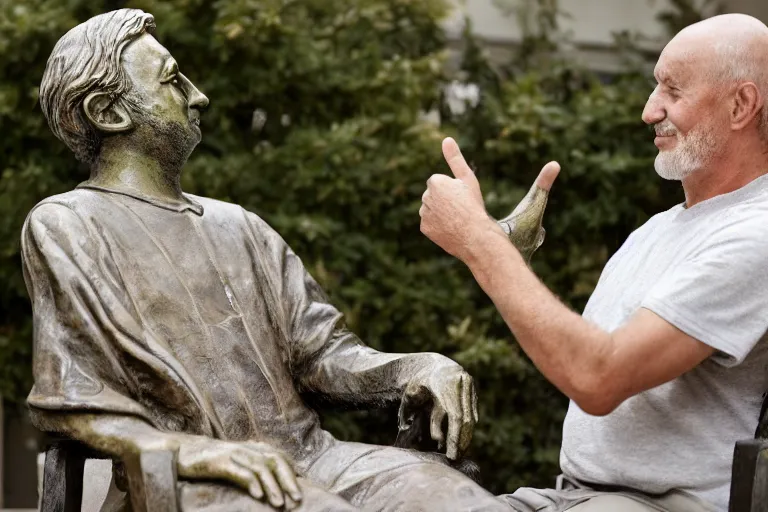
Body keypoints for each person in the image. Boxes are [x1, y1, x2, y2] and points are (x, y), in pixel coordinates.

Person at [24, 9, 514, 512]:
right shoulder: (69, 224)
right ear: (108, 112)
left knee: (457, 499)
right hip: (190, 480)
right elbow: (75, 398)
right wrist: (194, 452)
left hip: (314, 459)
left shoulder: (240, 226)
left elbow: (324, 355)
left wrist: (415, 366)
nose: (198, 95)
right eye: (172, 80)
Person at [419, 13, 768, 512]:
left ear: (741, 105)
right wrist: (502, 253)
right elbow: (575, 358)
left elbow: (597, 378)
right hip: (571, 495)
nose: (650, 111)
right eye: (655, 88)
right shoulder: (656, 231)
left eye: (672, 90)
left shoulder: (757, 232)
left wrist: (481, 246)